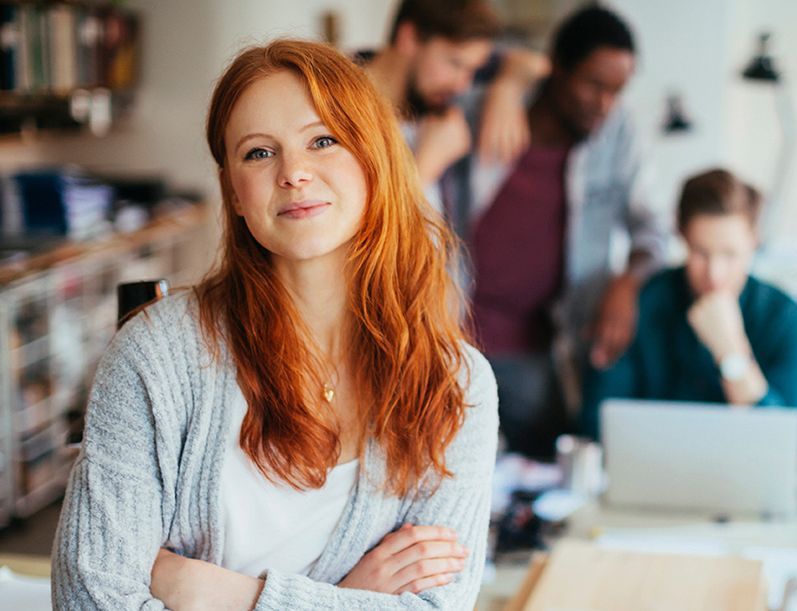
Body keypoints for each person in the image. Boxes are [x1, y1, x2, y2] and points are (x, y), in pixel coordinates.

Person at [51, 39, 498, 609]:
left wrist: (215, 592)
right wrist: (347, 599)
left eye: (323, 140)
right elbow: (89, 600)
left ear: (373, 161)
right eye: (259, 153)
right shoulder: (155, 357)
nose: (293, 173)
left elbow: (437, 607)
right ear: (235, 194)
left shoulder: (457, 386)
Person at [465, 6, 669, 457]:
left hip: (538, 351)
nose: (605, 104)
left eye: (617, 90)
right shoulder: (484, 109)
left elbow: (653, 230)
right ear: (555, 66)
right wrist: (508, 80)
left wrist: (627, 282)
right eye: (593, 85)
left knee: (543, 472)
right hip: (452, 339)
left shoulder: (618, 132)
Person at [581, 169, 797, 440]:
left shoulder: (787, 318)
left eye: (729, 254)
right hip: (655, 470)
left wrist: (731, 354)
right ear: (682, 236)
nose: (714, 274)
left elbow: (784, 440)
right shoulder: (641, 303)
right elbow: (597, 423)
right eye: (701, 252)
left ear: (754, 239)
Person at [358, 0, 551, 217]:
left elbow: (533, 63)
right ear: (409, 38)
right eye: (456, 64)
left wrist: (506, 89)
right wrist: (425, 166)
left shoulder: (437, 102)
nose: (463, 85)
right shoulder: (335, 109)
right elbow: (360, 233)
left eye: (473, 69)